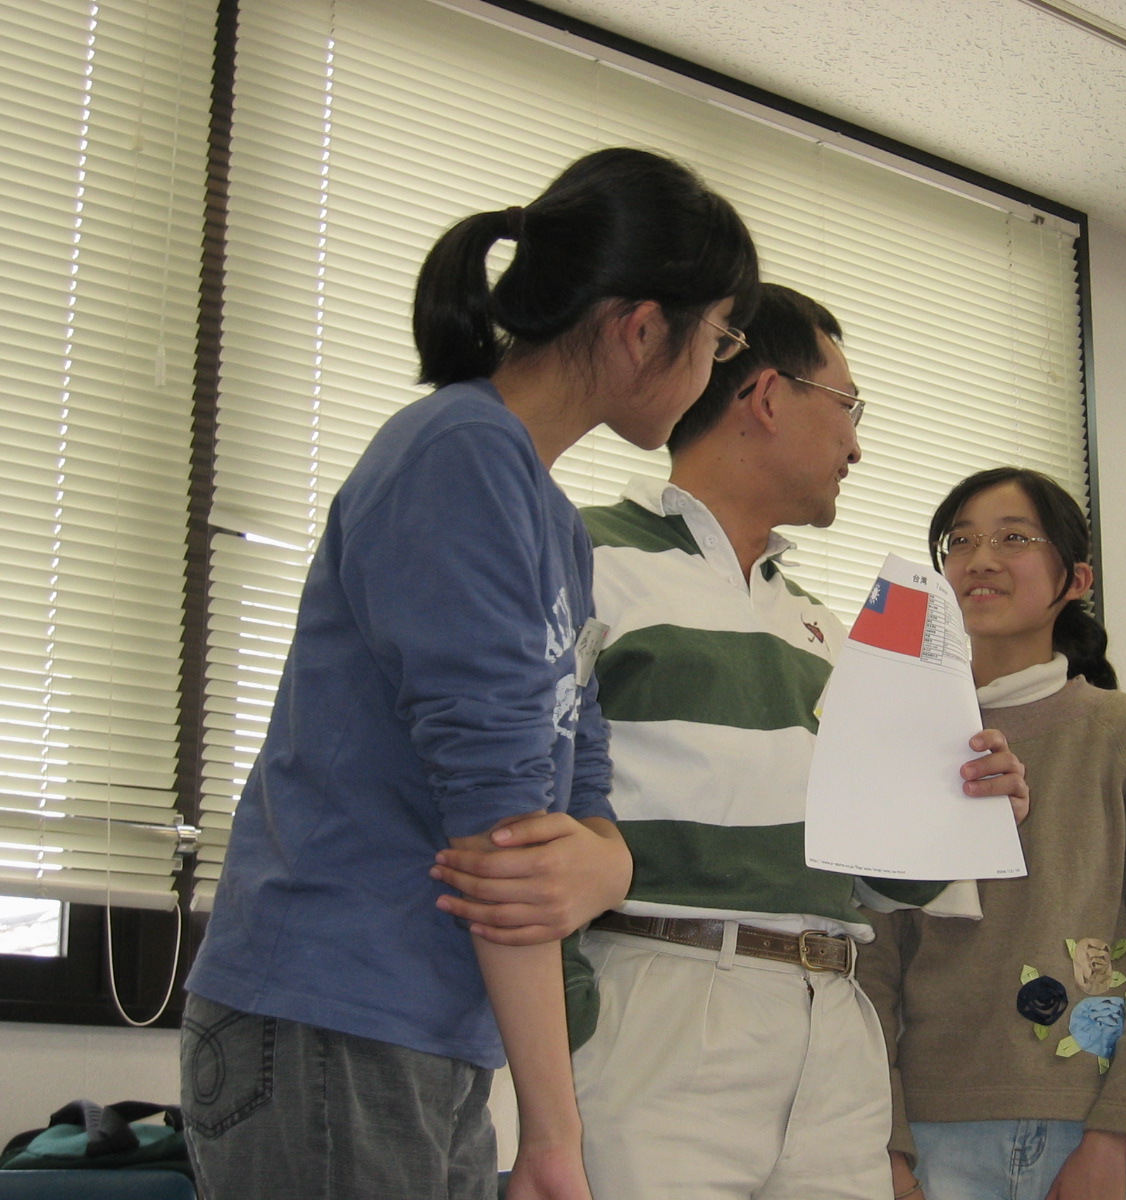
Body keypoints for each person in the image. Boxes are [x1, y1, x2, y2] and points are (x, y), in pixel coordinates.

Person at [180, 147, 760, 1200]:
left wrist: (611, 866)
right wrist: (553, 1133)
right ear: (641, 330)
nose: (714, 367)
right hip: (332, 1010)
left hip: (423, 1026)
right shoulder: (459, 454)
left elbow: (578, 794)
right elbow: (501, 823)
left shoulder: (551, 520)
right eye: (717, 337)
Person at [430, 283, 1029, 1200]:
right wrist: (579, 1013)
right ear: (769, 394)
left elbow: (880, 879)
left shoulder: (828, 633)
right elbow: (508, 801)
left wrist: (964, 806)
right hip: (660, 1008)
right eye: (849, 407)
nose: (858, 446)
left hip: (837, 1024)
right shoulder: (582, 556)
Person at [855, 467, 1126, 1200]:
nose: (980, 559)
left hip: (1089, 1122)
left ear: (1076, 579)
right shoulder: (902, 733)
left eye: (1013, 538)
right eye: (960, 541)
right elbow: (874, 954)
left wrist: (1117, 1138)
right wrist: (885, 1140)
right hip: (930, 1125)